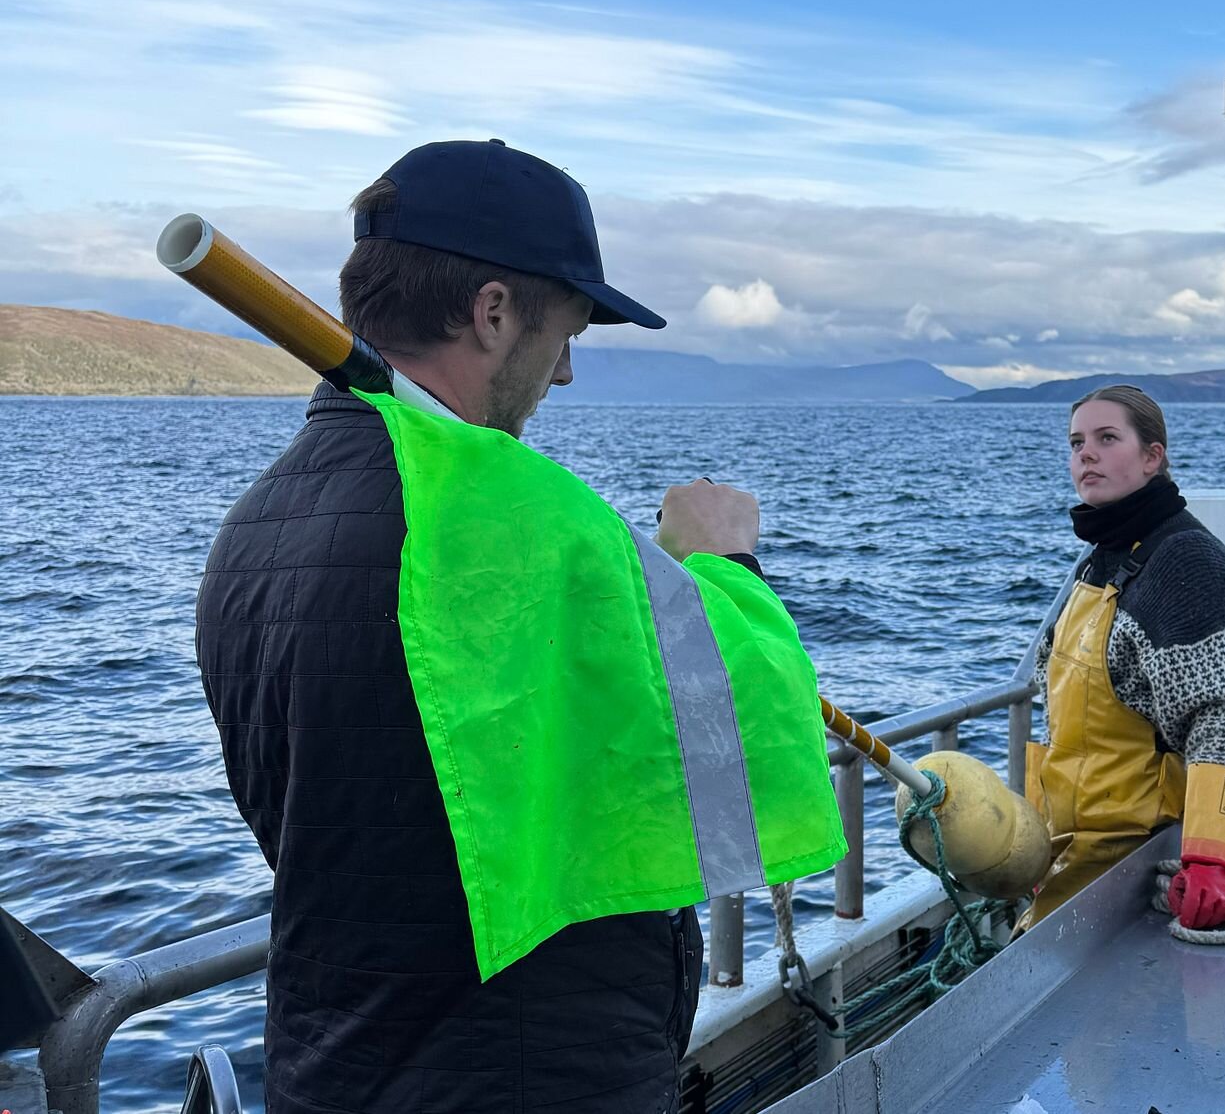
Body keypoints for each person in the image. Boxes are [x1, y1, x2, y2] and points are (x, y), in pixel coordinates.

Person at [194, 139, 833, 1114]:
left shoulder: (255, 527)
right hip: (533, 1069)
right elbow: (751, 744)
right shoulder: (519, 522)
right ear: (493, 312)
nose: (567, 371)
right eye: (566, 330)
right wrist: (723, 563)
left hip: (327, 1067)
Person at [1022, 385, 1225, 928]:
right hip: (1073, 861)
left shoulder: (1184, 564)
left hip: (1138, 872)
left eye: (1107, 438)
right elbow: (1064, 724)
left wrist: (1215, 861)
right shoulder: (1103, 558)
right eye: (1076, 443)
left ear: (1152, 456)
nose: (1085, 454)